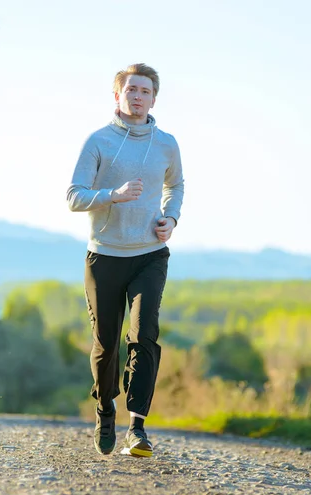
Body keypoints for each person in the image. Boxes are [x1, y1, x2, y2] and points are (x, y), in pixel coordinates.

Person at [66, 63, 184, 458]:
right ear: (117, 95)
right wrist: (111, 195)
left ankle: (137, 426)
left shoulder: (166, 142)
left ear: (154, 98)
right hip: (105, 256)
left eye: (145, 91)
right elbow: (73, 196)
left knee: (144, 334)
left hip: (150, 253)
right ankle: (105, 408)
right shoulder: (98, 141)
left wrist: (171, 217)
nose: (138, 96)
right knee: (105, 343)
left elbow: (176, 184)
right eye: (131, 89)